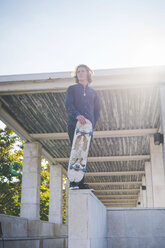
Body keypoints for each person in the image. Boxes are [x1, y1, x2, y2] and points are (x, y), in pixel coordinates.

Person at [65, 64, 101, 189]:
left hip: (88, 129)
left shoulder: (94, 93)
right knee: (75, 151)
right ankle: (73, 182)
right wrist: (77, 115)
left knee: (84, 153)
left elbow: (97, 112)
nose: (80, 73)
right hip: (74, 125)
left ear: (88, 74)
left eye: (83, 71)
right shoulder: (72, 89)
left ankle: (80, 182)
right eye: (78, 71)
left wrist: (92, 125)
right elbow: (68, 105)